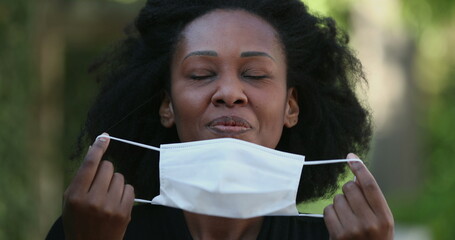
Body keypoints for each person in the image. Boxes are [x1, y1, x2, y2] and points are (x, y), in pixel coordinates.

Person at [47, 0, 394, 239]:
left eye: (256, 74)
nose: (229, 92)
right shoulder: (93, 230)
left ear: (291, 107)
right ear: (166, 105)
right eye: (200, 74)